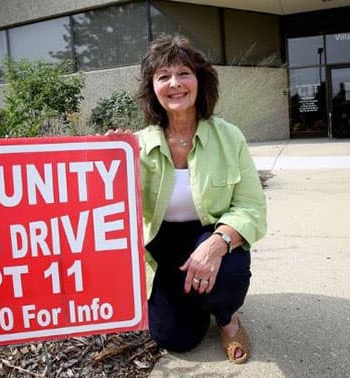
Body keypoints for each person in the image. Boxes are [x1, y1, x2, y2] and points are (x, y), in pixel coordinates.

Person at [109, 34, 266, 363]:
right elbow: (111, 206)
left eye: (183, 73)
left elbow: (251, 207)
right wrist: (104, 162)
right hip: (161, 242)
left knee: (228, 275)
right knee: (175, 338)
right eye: (163, 76)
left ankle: (226, 318)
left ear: (199, 81)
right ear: (152, 88)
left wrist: (218, 242)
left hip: (209, 231)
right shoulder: (133, 146)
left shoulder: (228, 136)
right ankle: (195, 299)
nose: (174, 83)